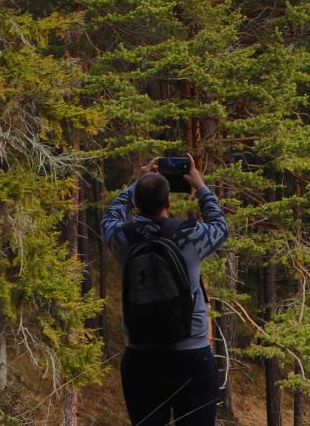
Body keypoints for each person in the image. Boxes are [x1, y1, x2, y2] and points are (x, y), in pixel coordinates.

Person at [99, 155, 229, 425]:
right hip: (191, 356)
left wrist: (135, 184)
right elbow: (220, 226)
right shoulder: (190, 236)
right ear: (168, 202)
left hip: (141, 357)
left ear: (136, 201)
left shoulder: (124, 238)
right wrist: (201, 186)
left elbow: (110, 216)